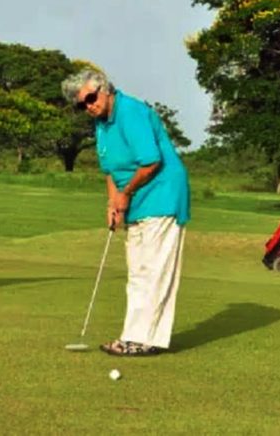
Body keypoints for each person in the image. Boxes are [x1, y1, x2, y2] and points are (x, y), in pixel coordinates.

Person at [61, 69, 190, 356]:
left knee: (152, 269)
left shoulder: (131, 112)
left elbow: (151, 162)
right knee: (137, 271)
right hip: (136, 198)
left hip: (162, 195)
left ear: (104, 89)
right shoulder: (101, 124)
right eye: (81, 105)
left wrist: (125, 193)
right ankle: (134, 336)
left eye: (90, 99)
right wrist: (112, 204)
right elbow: (110, 170)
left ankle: (144, 340)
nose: (88, 107)